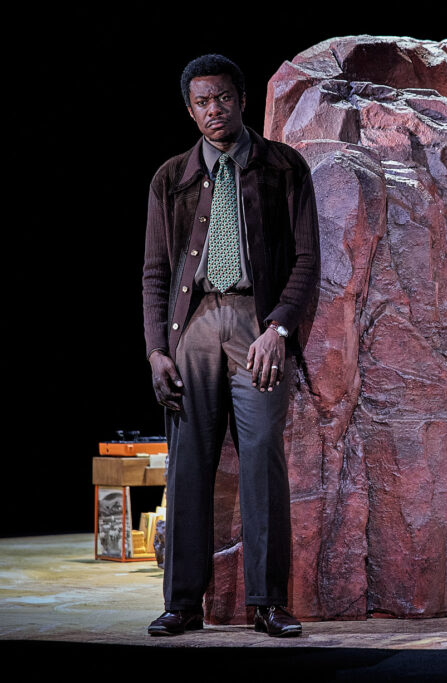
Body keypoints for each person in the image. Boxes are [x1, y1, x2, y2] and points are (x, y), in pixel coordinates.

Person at [142, 54, 320, 636]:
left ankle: (268, 602)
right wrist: (156, 349)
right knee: (188, 463)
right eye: (202, 102)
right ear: (189, 110)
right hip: (192, 328)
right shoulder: (171, 177)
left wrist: (280, 329)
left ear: (241, 100)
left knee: (263, 456)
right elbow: (156, 272)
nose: (213, 110)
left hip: (256, 324)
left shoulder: (283, 167)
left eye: (222, 98)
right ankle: (182, 603)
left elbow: (307, 261)